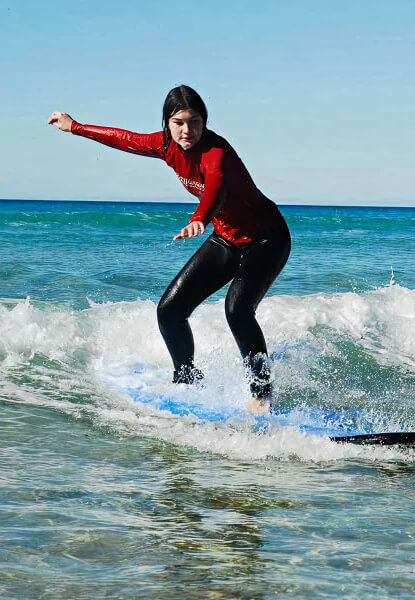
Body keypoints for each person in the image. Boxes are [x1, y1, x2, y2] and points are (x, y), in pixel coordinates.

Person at [48, 85, 290, 411]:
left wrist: (200, 218)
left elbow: (215, 188)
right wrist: (75, 127)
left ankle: (262, 395)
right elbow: (125, 138)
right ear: (167, 123)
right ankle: (187, 379)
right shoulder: (164, 145)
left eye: (195, 121)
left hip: (266, 238)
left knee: (237, 310)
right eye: (178, 122)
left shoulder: (215, 152)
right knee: (170, 311)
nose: (187, 130)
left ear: (205, 122)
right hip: (227, 237)